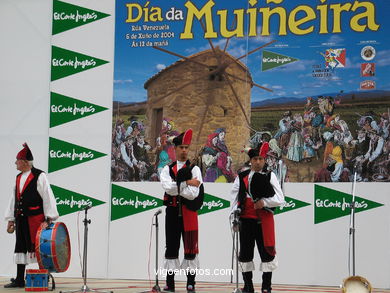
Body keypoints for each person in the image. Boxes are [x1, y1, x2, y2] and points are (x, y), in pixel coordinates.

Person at [231, 143, 285, 293]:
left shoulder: (270, 175)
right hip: (246, 221)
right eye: (255, 159)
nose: (258, 162)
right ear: (251, 160)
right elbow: (234, 198)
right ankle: (248, 286)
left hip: (264, 220)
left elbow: (280, 198)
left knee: (267, 253)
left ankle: (266, 287)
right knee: (245, 254)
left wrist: (264, 202)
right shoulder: (241, 177)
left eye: (261, 159)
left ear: (264, 160)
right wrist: (235, 215)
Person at [4, 143, 59, 288]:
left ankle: (43, 278)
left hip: (36, 220)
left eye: (18, 160)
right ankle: (19, 279)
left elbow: (47, 196)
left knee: (40, 248)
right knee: (20, 246)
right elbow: (14, 198)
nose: (15, 162)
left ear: (25, 162)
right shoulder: (18, 177)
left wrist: (48, 219)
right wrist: (10, 219)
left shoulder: (39, 176)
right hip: (21, 219)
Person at [160, 129, 203, 292]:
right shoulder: (167, 169)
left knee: (190, 246)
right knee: (171, 246)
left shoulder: (195, 169)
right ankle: (169, 283)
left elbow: (193, 195)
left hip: (189, 212)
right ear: (175, 149)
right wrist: (186, 183)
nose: (184, 150)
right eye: (181, 148)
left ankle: (190, 283)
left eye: (186, 147)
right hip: (172, 213)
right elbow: (168, 188)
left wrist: (178, 185)